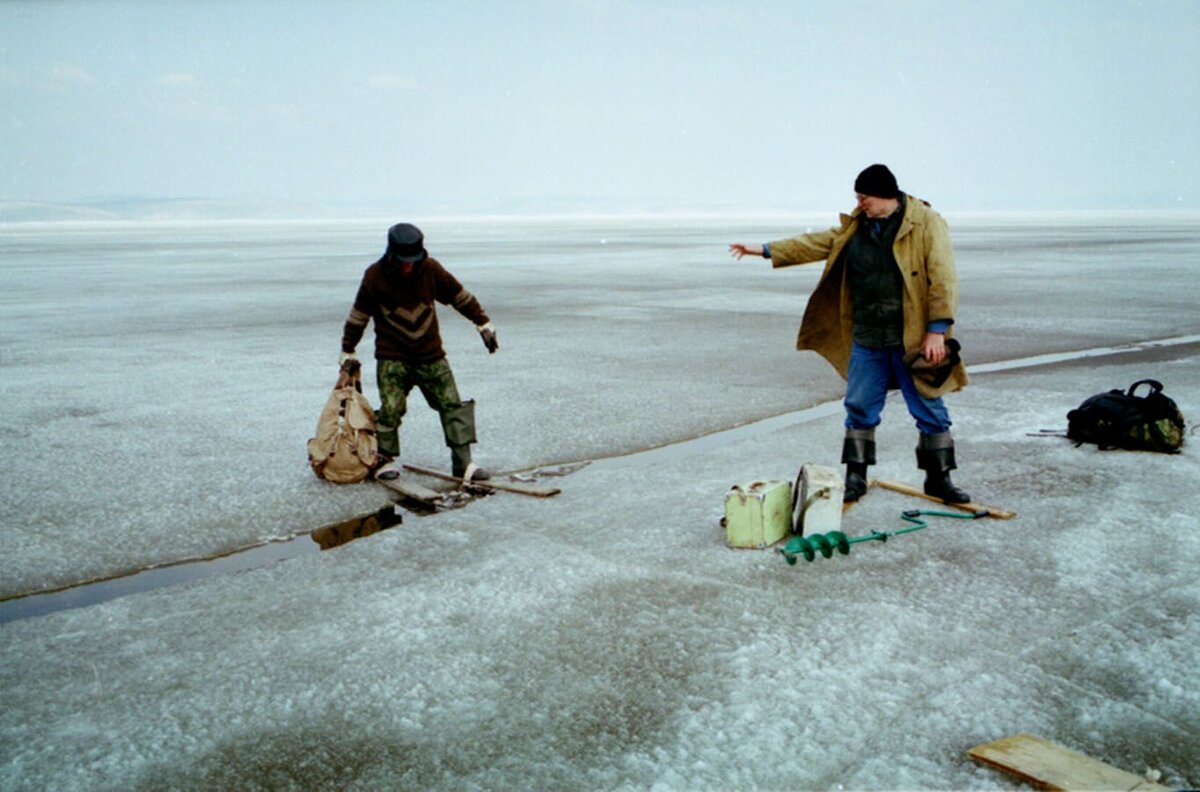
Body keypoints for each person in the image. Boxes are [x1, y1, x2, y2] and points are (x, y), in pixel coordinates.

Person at [729, 164, 971, 504]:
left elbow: (943, 278)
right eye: (857, 198)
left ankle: (938, 479)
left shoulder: (927, 223)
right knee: (859, 407)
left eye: (864, 197)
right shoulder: (856, 227)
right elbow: (816, 242)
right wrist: (764, 249)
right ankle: (856, 477)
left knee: (929, 408)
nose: (859, 204)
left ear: (885, 195)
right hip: (868, 336)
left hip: (913, 339)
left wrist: (937, 331)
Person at [340, 222, 498, 482]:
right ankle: (385, 460)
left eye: (412, 260)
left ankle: (464, 464)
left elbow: (460, 297)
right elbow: (359, 317)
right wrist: (348, 350)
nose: (408, 266)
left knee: (452, 406)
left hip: (431, 356)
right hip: (393, 358)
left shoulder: (431, 270)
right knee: (391, 410)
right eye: (403, 261)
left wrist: (483, 324)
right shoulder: (374, 277)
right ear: (391, 255)